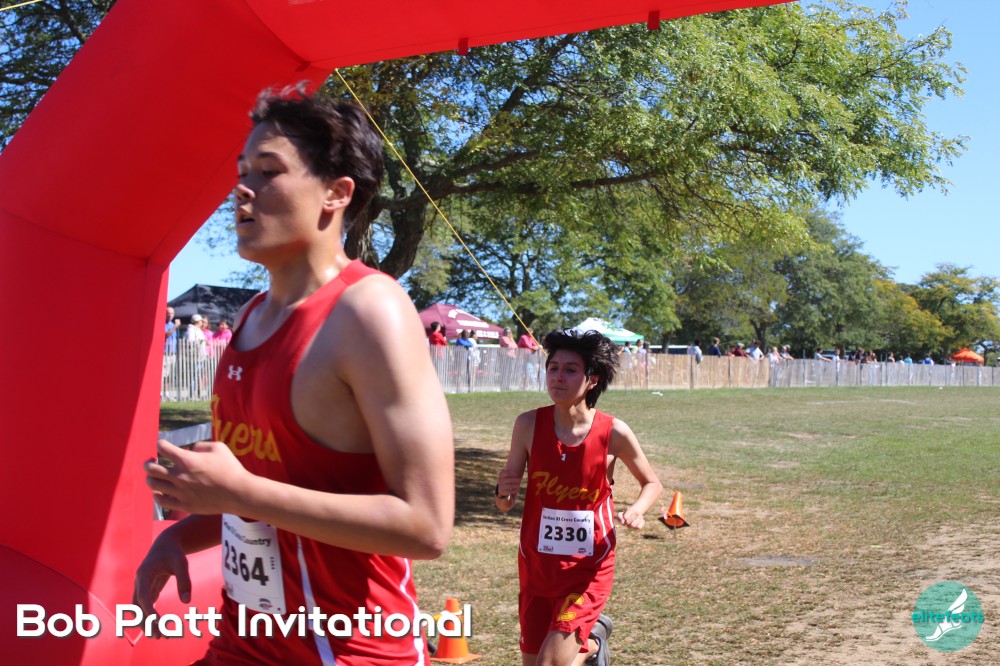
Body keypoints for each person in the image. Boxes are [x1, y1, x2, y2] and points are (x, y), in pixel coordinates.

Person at [135, 85, 454, 665]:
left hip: (347, 649)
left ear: (336, 193)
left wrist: (239, 492)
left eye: (268, 171)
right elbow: (258, 493)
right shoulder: (251, 317)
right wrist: (180, 533)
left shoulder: (370, 311)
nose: (242, 189)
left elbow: (426, 526)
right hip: (242, 642)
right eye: (241, 173)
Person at [495, 330, 662, 666]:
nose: (558, 376)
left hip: (588, 567)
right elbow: (504, 503)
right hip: (537, 566)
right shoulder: (527, 425)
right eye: (553, 368)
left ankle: (590, 638)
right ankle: (593, 643)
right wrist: (502, 490)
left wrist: (637, 510)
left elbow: (651, 483)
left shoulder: (613, 432)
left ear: (592, 380)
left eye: (570, 370)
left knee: (550, 663)